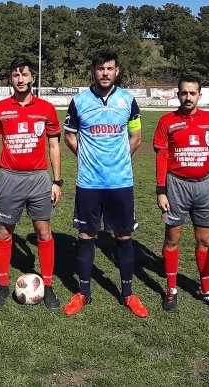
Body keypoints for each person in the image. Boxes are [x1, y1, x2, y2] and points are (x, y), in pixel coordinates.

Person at [62, 50, 147, 317]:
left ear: (117, 71)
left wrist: (118, 161)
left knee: (123, 235)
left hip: (120, 181)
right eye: (100, 68)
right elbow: (69, 136)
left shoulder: (128, 101)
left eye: (110, 68)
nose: (105, 73)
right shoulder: (79, 101)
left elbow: (136, 137)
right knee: (86, 235)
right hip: (89, 182)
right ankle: (83, 293)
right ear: (94, 71)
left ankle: (128, 293)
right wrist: (88, 159)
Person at [0, 57, 63, 309]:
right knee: (5, 232)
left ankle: (47, 286)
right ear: (11, 78)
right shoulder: (0, 108)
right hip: (9, 177)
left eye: (25, 75)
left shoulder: (47, 108)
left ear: (33, 78)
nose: (21, 80)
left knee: (43, 232)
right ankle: (3, 286)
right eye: (16, 75)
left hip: (39, 179)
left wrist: (57, 180)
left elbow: (53, 145)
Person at [153, 75, 209, 313]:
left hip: (204, 187)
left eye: (192, 93)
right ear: (178, 95)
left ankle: (206, 289)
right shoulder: (167, 121)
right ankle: (172, 289)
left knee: (205, 240)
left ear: (199, 95)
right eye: (184, 93)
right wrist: (161, 191)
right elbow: (161, 157)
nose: (188, 97)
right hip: (176, 186)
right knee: (172, 239)